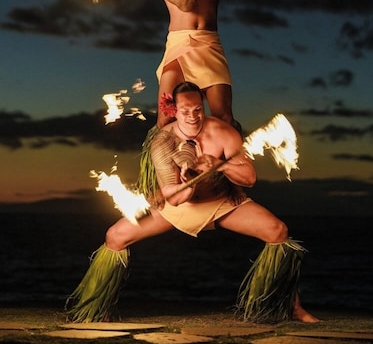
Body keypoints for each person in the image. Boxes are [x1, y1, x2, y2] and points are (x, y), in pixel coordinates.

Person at [66, 82, 319, 324]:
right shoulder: (163, 142)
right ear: (174, 110)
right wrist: (190, 181)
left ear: (203, 106)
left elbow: (249, 178)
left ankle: (292, 307)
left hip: (221, 203)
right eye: (185, 111)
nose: (192, 116)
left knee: (278, 231)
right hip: (177, 206)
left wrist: (219, 165)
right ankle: (94, 309)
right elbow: (174, 197)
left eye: (197, 109)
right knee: (115, 236)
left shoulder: (222, 132)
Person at [154, 0, 236, 127]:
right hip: (179, 45)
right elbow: (186, 5)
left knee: (225, 118)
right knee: (166, 117)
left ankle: (223, 148)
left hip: (209, 43)